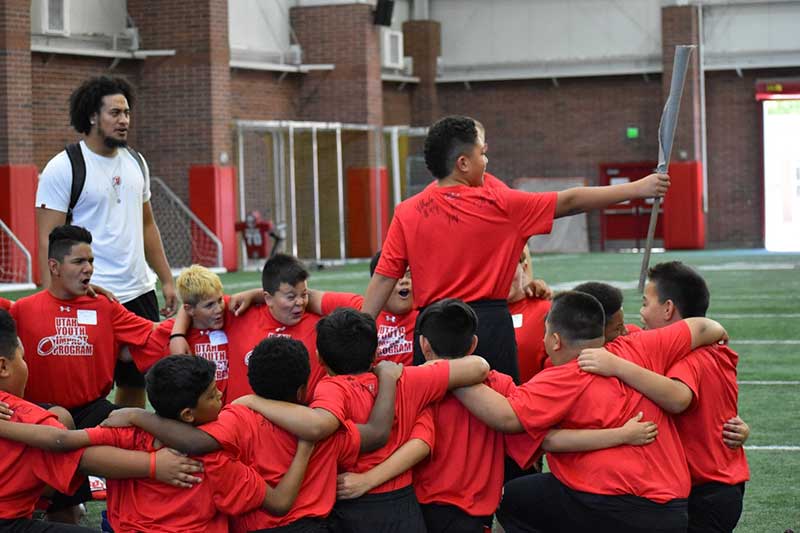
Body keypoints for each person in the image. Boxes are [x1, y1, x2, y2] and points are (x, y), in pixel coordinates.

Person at [363, 115, 671, 382]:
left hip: (432, 333)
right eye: (482, 154)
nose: (486, 162)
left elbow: (383, 278)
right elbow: (572, 200)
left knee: (433, 425)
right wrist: (639, 188)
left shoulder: (407, 210)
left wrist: (360, 333)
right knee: (500, 430)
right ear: (463, 163)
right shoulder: (502, 205)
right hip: (487, 329)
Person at [340, 299, 655, 533]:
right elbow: (542, 439)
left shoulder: (405, 385)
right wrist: (619, 435)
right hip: (473, 513)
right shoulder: (500, 385)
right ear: (474, 343)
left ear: (424, 344)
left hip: (415, 507)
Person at [454, 291, 729, 533]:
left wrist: (446, 372)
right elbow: (703, 327)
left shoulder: (561, 378)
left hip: (611, 505)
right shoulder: (639, 346)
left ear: (556, 340)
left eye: (545, 334)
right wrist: (720, 332)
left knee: (513, 497)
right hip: (674, 508)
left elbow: (505, 417)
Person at [101, 337, 402, 533]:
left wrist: (136, 414)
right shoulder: (324, 424)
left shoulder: (233, 419)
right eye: (211, 393)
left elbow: (195, 441)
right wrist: (387, 378)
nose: (219, 393)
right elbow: (376, 434)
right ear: (302, 390)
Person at [35, 75, 176, 410]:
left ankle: (126, 452)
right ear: (92, 117)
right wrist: (52, 297)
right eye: (115, 112)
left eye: (126, 112)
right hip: (90, 294)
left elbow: (147, 224)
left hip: (139, 292)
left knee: (135, 381)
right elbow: (46, 239)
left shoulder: (136, 162)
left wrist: (167, 279)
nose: (124, 120)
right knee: (86, 387)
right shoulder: (64, 167)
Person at [577, 262, 750, 532]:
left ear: (668, 309)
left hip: (708, 490)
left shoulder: (693, 356)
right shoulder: (690, 346)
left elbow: (678, 398)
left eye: (646, 304)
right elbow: (627, 335)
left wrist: (616, 365)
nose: (641, 314)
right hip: (716, 484)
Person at [0, 309, 202, 532]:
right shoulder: (22, 417)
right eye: (23, 358)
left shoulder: (102, 304)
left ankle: (52, 504)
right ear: (3, 366)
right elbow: (73, 450)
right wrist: (154, 465)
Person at [10, 226, 156, 429]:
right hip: (41, 412)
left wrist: (191, 315)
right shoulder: (22, 309)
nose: (88, 268)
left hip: (93, 410)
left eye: (91, 261)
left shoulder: (106, 306)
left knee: (139, 426)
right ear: (54, 267)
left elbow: (156, 334)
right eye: (79, 262)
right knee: (59, 423)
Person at [170, 253, 326, 403]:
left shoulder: (319, 325)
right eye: (291, 297)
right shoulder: (236, 312)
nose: (299, 302)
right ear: (268, 298)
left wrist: (253, 294)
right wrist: (176, 335)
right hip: (235, 422)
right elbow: (196, 302)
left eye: (304, 295)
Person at [132, 265, 232, 402]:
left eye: (220, 300)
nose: (218, 309)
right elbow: (127, 353)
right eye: (209, 305)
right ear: (189, 309)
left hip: (231, 415)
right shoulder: (169, 332)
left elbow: (264, 295)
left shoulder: (232, 316)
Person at [306, 250, 416, 366]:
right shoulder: (359, 308)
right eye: (397, 276)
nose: (404, 281)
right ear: (378, 283)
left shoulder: (424, 313)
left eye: (409, 275)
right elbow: (309, 298)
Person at [507, 246, 551, 382]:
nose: (502, 277)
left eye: (508, 268)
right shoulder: (474, 314)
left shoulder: (547, 311)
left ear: (524, 267)